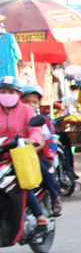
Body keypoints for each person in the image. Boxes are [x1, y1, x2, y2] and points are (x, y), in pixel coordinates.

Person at [0, 77, 50, 228]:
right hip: (1, 156)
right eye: (3, 91)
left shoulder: (26, 110)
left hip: (20, 155)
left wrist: (31, 140)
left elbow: (35, 131)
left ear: (18, 94)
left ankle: (39, 215)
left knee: (22, 184)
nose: (6, 94)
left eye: (11, 92)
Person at [19, 85, 63, 215]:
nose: (30, 105)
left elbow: (41, 142)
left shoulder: (39, 120)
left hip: (32, 155)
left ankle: (56, 198)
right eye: (26, 101)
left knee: (46, 173)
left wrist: (30, 147)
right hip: (13, 155)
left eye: (34, 102)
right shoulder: (16, 117)